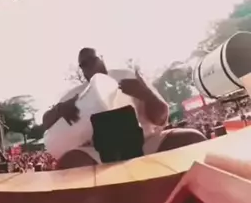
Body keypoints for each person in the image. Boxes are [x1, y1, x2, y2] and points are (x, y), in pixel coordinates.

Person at [43, 47, 207, 169]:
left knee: (192, 139)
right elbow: (45, 122)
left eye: (92, 60)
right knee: (67, 164)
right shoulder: (75, 95)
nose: (89, 66)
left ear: (101, 58)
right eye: (83, 64)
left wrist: (146, 94)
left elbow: (162, 117)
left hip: (145, 143)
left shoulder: (127, 76)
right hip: (99, 155)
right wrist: (60, 109)